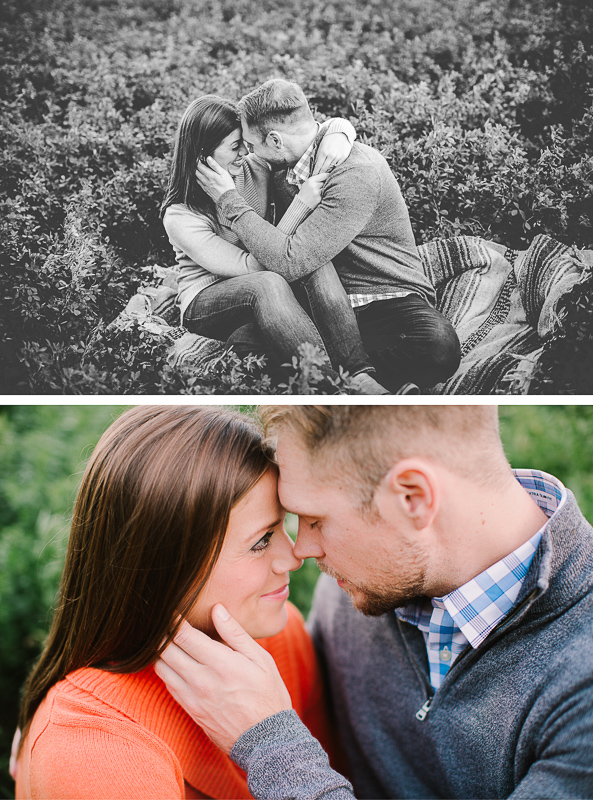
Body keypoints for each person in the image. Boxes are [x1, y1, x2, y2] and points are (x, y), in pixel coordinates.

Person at [156, 405, 593, 799]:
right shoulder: (359, 587)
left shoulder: (581, 692)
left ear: (412, 499)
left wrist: (273, 747)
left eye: (315, 520)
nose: (301, 549)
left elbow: (288, 750)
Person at [12, 405, 346, 799]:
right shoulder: (91, 745)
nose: (292, 557)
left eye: (281, 527)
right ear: (163, 568)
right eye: (261, 541)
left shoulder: (280, 638)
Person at [194, 80, 461, 393]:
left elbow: (290, 262)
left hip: (386, 298)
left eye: (253, 145)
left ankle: (342, 379)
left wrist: (229, 200)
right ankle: (357, 380)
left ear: (276, 141)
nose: (250, 154)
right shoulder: (280, 164)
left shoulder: (355, 173)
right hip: (323, 303)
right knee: (244, 343)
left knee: (440, 346)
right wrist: (340, 126)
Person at [161, 95, 393, 394]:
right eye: (234, 147)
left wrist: (340, 131)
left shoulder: (254, 168)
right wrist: (300, 205)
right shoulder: (180, 215)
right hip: (208, 301)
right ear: (204, 153)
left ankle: (359, 375)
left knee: (310, 259)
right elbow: (253, 265)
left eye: (244, 143)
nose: (244, 152)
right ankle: (332, 389)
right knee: (267, 281)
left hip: (265, 287)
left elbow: (303, 132)